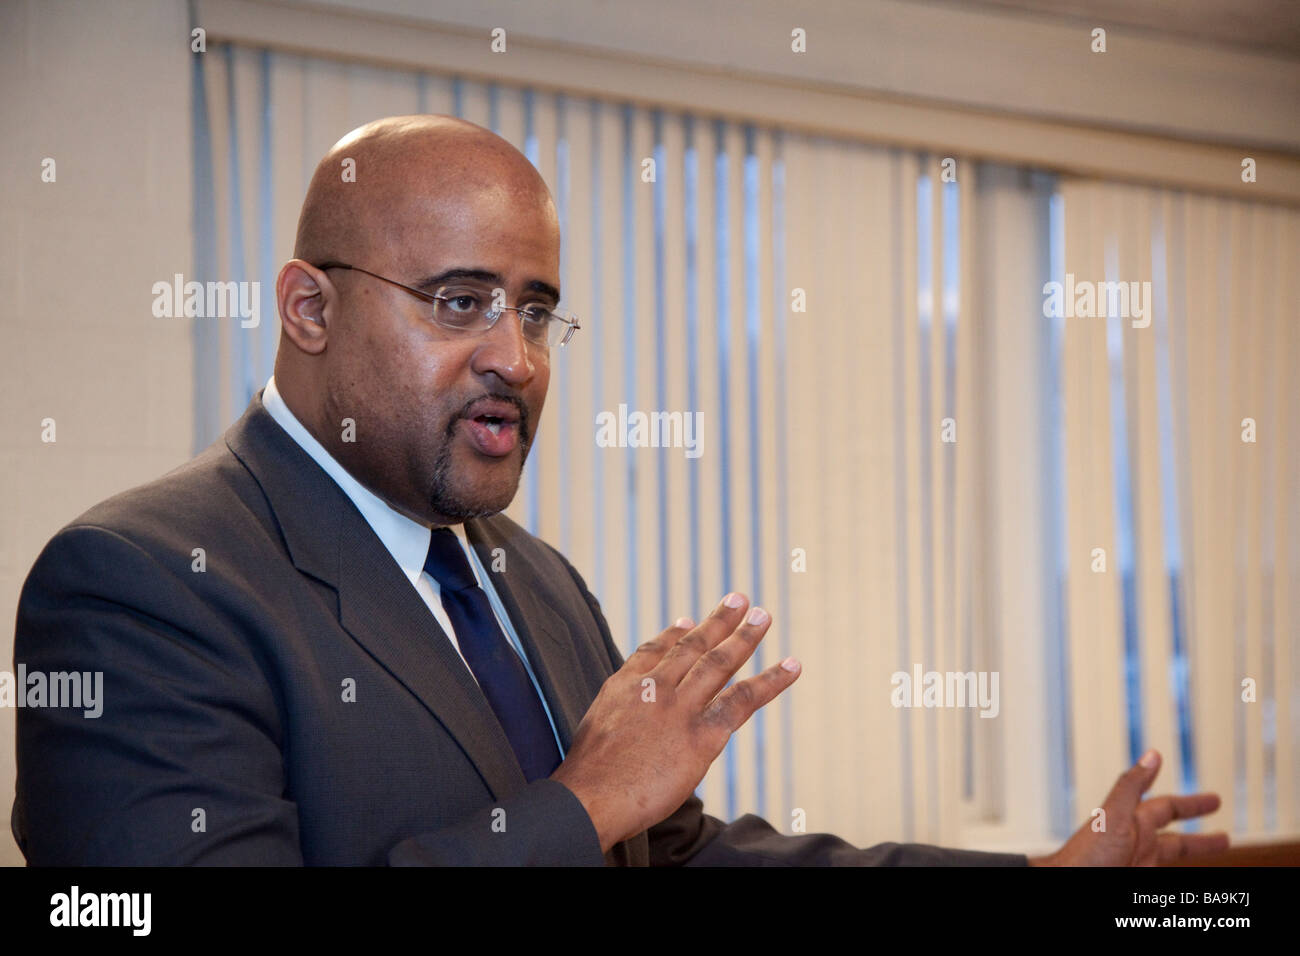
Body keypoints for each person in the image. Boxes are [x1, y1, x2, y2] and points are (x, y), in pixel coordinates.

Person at [11, 115, 1229, 866]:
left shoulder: (526, 577)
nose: (515, 355)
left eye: (535, 310)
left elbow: (677, 852)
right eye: (460, 299)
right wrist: (583, 798)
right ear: (308, 308)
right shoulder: (138, 582)